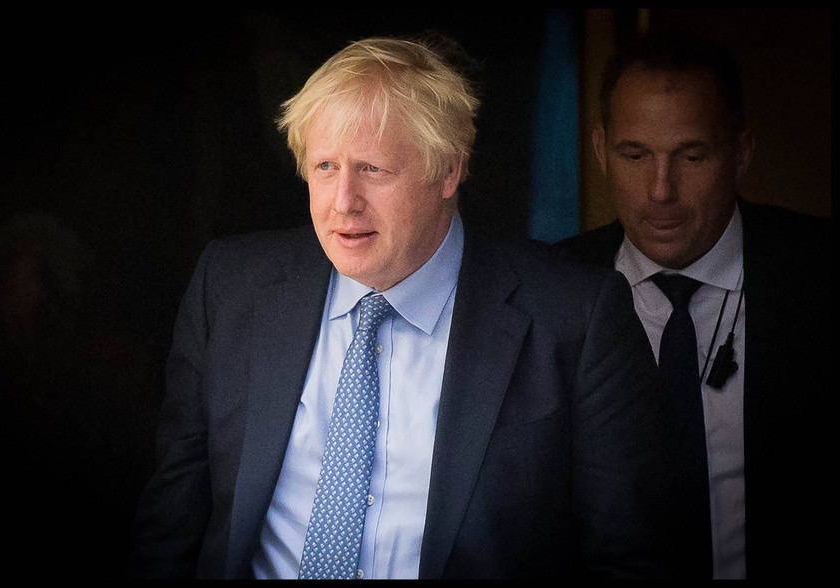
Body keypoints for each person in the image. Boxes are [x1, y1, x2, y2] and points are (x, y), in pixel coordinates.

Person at [127, 32, 673, 580]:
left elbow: (625, 557)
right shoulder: (230, 288)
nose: (344, 202)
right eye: (324, 168)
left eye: (372, 169)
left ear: (449, 171)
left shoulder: (576, 316)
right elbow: (172, 523)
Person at [552, 30, 832, 580]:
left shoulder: (819, 275)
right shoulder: (551, 289)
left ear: (741, 153)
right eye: (635, 155)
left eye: (692, 156)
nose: (661, 190)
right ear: (600, 151)